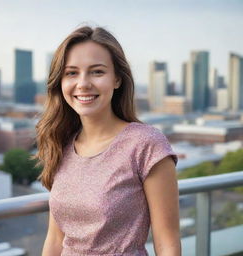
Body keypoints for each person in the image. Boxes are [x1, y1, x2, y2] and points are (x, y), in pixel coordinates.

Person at [33, 25, 181, 256]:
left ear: (117, 79)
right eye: (72, 73)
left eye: (97, 72)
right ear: (60, 82)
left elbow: (167, 242)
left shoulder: (146, 144)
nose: (83, 83)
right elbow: (55, 240)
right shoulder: (61, 143)